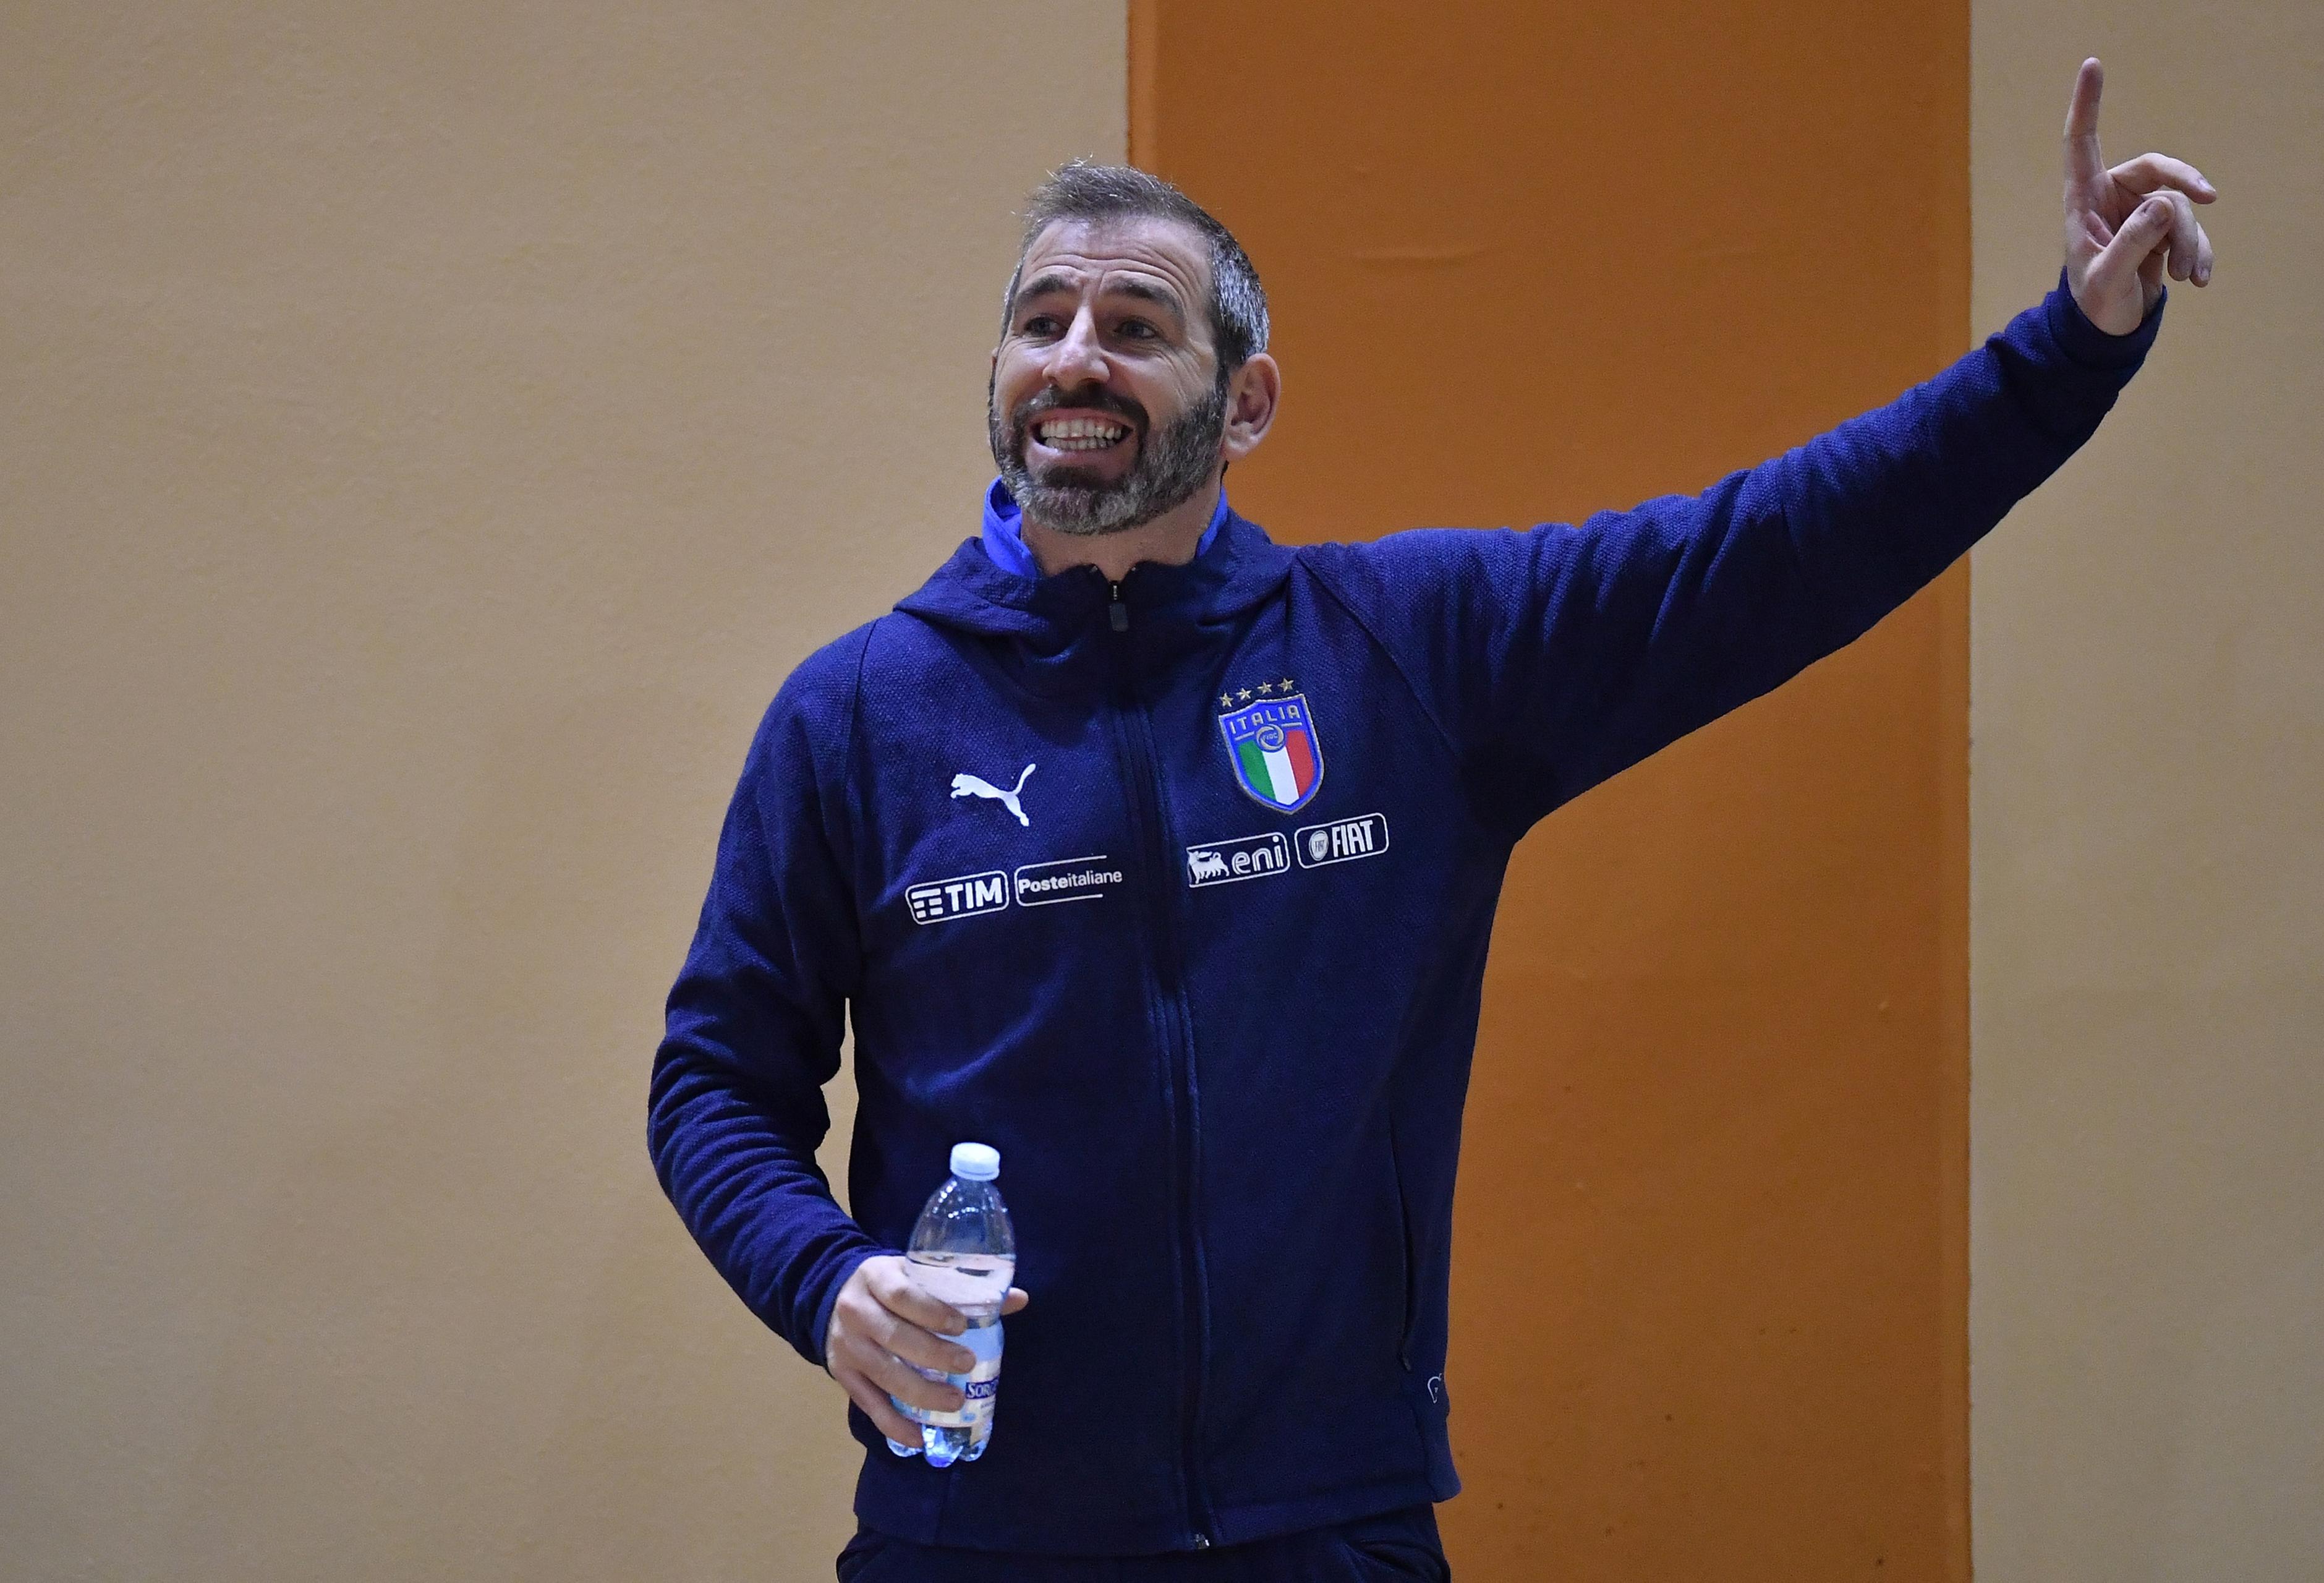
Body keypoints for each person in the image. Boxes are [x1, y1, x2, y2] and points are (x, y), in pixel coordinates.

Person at [648, 57, 2213, 1582]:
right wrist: (828, 1278)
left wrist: (2067, 348)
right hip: (974, 1532)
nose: (1077, 360)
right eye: (1040, 323)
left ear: (1245, 398)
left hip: (1333, 1522)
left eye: (1137, 326)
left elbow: (1771, 551)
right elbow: (717, 1077)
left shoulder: (1406, 649)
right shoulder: (856, 712)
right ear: (994, 379)